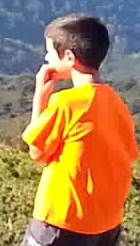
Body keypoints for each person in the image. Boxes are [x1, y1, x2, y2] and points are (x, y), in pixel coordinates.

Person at [21, 14, 138, 246]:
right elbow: (129, 155)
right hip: (107, 223)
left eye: (50, 52)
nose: (46, 58)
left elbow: (37, 152)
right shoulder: (117, 104)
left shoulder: (66, 103)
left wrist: (40, 97)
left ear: (69, 57)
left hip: (62, 219)